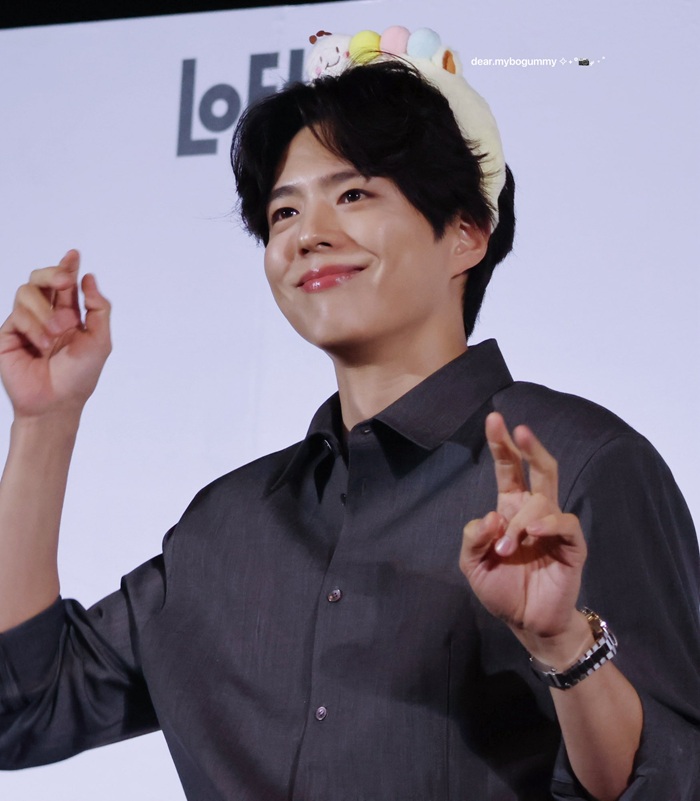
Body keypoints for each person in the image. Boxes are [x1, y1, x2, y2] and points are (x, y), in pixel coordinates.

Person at [0, 26, 699, 801]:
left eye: (354, 194)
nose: (308, 235)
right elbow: (22, 708)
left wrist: (565, 644)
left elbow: (676, 777)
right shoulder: (224, 526)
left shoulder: (582, 465)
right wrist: (43, 420)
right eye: (283, 212)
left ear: (466, 233)